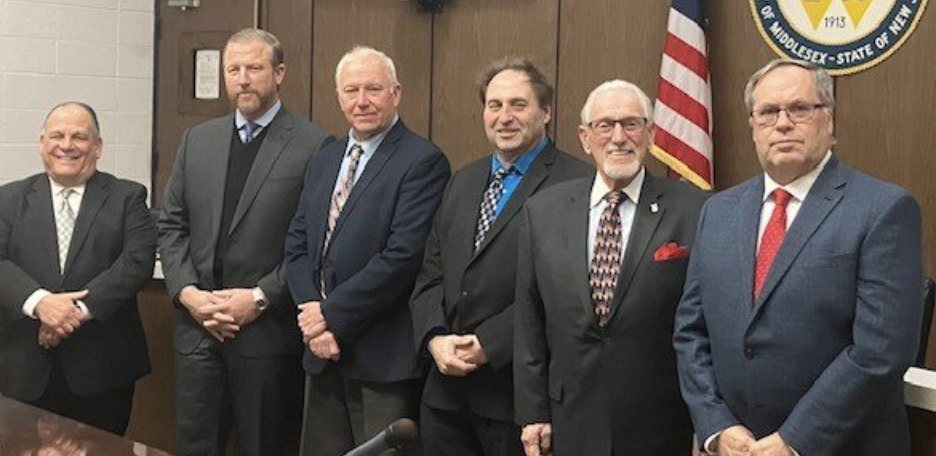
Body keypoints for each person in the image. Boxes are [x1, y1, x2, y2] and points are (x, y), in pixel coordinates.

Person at [673, 59, 924, 456]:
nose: (783, 124)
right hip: (739, 446)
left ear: (830, 120)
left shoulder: (883, 209)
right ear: (753, 126)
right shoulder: (718, 211)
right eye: (768, 112)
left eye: (800, 109)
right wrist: (716, 425)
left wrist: (796, 439)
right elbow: (691, 331)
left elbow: (881, 351)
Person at [157, 28, 332, 456]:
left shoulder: (314, 145)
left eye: (254, 68)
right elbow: (172, 224)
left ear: (279, 73)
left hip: (266, 335)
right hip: (198, 329)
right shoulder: (197, 140)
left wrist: (258, 297)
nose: (242, 79)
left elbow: (315, 244)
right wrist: (188, 293)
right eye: (232, 70)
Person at [409, 56, 591, 456]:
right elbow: (431, 274)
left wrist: (489, 344)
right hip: (444, 397)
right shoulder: (462, 181)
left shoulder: (578, 184)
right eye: (494, 105)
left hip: (518, 400)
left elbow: (567, 292)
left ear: (546, 112)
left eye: (518, 105)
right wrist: (434, 338)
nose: (504, 117)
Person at [514, 80, 706, 456]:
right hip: (570, 419)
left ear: (650, 134)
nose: (618, 137)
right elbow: (529, 319)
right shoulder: (543, 212)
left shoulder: (695, 209)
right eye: (605, 125)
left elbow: (706, 321)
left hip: (662, 423)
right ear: (585, 138)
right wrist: (533, 412)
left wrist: (706, 422)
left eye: (631, 124)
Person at [284, 45, 450, 456]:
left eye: (373, 89)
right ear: (338, 97)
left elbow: (402, 257)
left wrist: (329, 316)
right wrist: (313, 317)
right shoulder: (325, 159)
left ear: (396, 93)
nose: (362, 101)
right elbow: (297, 246)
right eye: (351, 90)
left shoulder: (423, 161)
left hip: (380, 358)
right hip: (321, 353)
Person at [0, 101, 156, 435]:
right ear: (42, 143)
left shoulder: (127, 197)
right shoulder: (8, 199)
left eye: (79, 137)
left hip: (103, 371)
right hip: (25, 369)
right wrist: (41, 303)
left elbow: (137, 262)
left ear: (97, 147)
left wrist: (72, 313)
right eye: (57, 136)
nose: (67, 145)